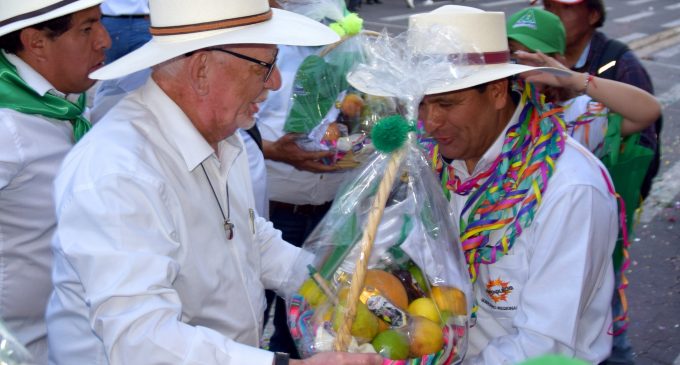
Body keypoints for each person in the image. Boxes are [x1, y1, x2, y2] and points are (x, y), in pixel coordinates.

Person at [44, 1, 382, 364]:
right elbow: (139, 340)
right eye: (265, 66)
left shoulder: (221, 134)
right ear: (202, 68)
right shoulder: (116, 170)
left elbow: (251, 239)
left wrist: (343, 285)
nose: (276, 82)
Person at [350, 5, 618, 363]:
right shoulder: (435, 164)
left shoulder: (569, 189)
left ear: (495, 92)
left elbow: (544, 345)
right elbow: (392, 249)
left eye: (447, 103)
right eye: (421, 105)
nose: (429, 123)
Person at [542, 2, 659, 363]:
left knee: (604, 330)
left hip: (590, 245)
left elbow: (647, 112)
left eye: (541, 60)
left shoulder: (581, 113)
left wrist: (575, 81)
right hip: (536, 253)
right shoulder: (507, 119)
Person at [0, 1, 110, 363]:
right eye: (87, 28)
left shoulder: (62, 104)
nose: (105, 40)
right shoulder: (7, 125)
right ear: (36, 43)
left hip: (60, 336)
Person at [258, 0, 355, 358]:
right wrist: (273, 150)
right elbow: (230, 126)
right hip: (275, 211)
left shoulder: (349, 39)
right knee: (253, 314)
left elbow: (359, 110)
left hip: (332, 210)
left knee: (310, 326)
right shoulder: (264, 46)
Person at [506, 7, 660, 156]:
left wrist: (574, 79)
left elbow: (648, 111)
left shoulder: (576, 116)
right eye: (512, 51)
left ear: (557, 63)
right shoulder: (494, 104)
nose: (519, 62)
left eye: (532, 55)